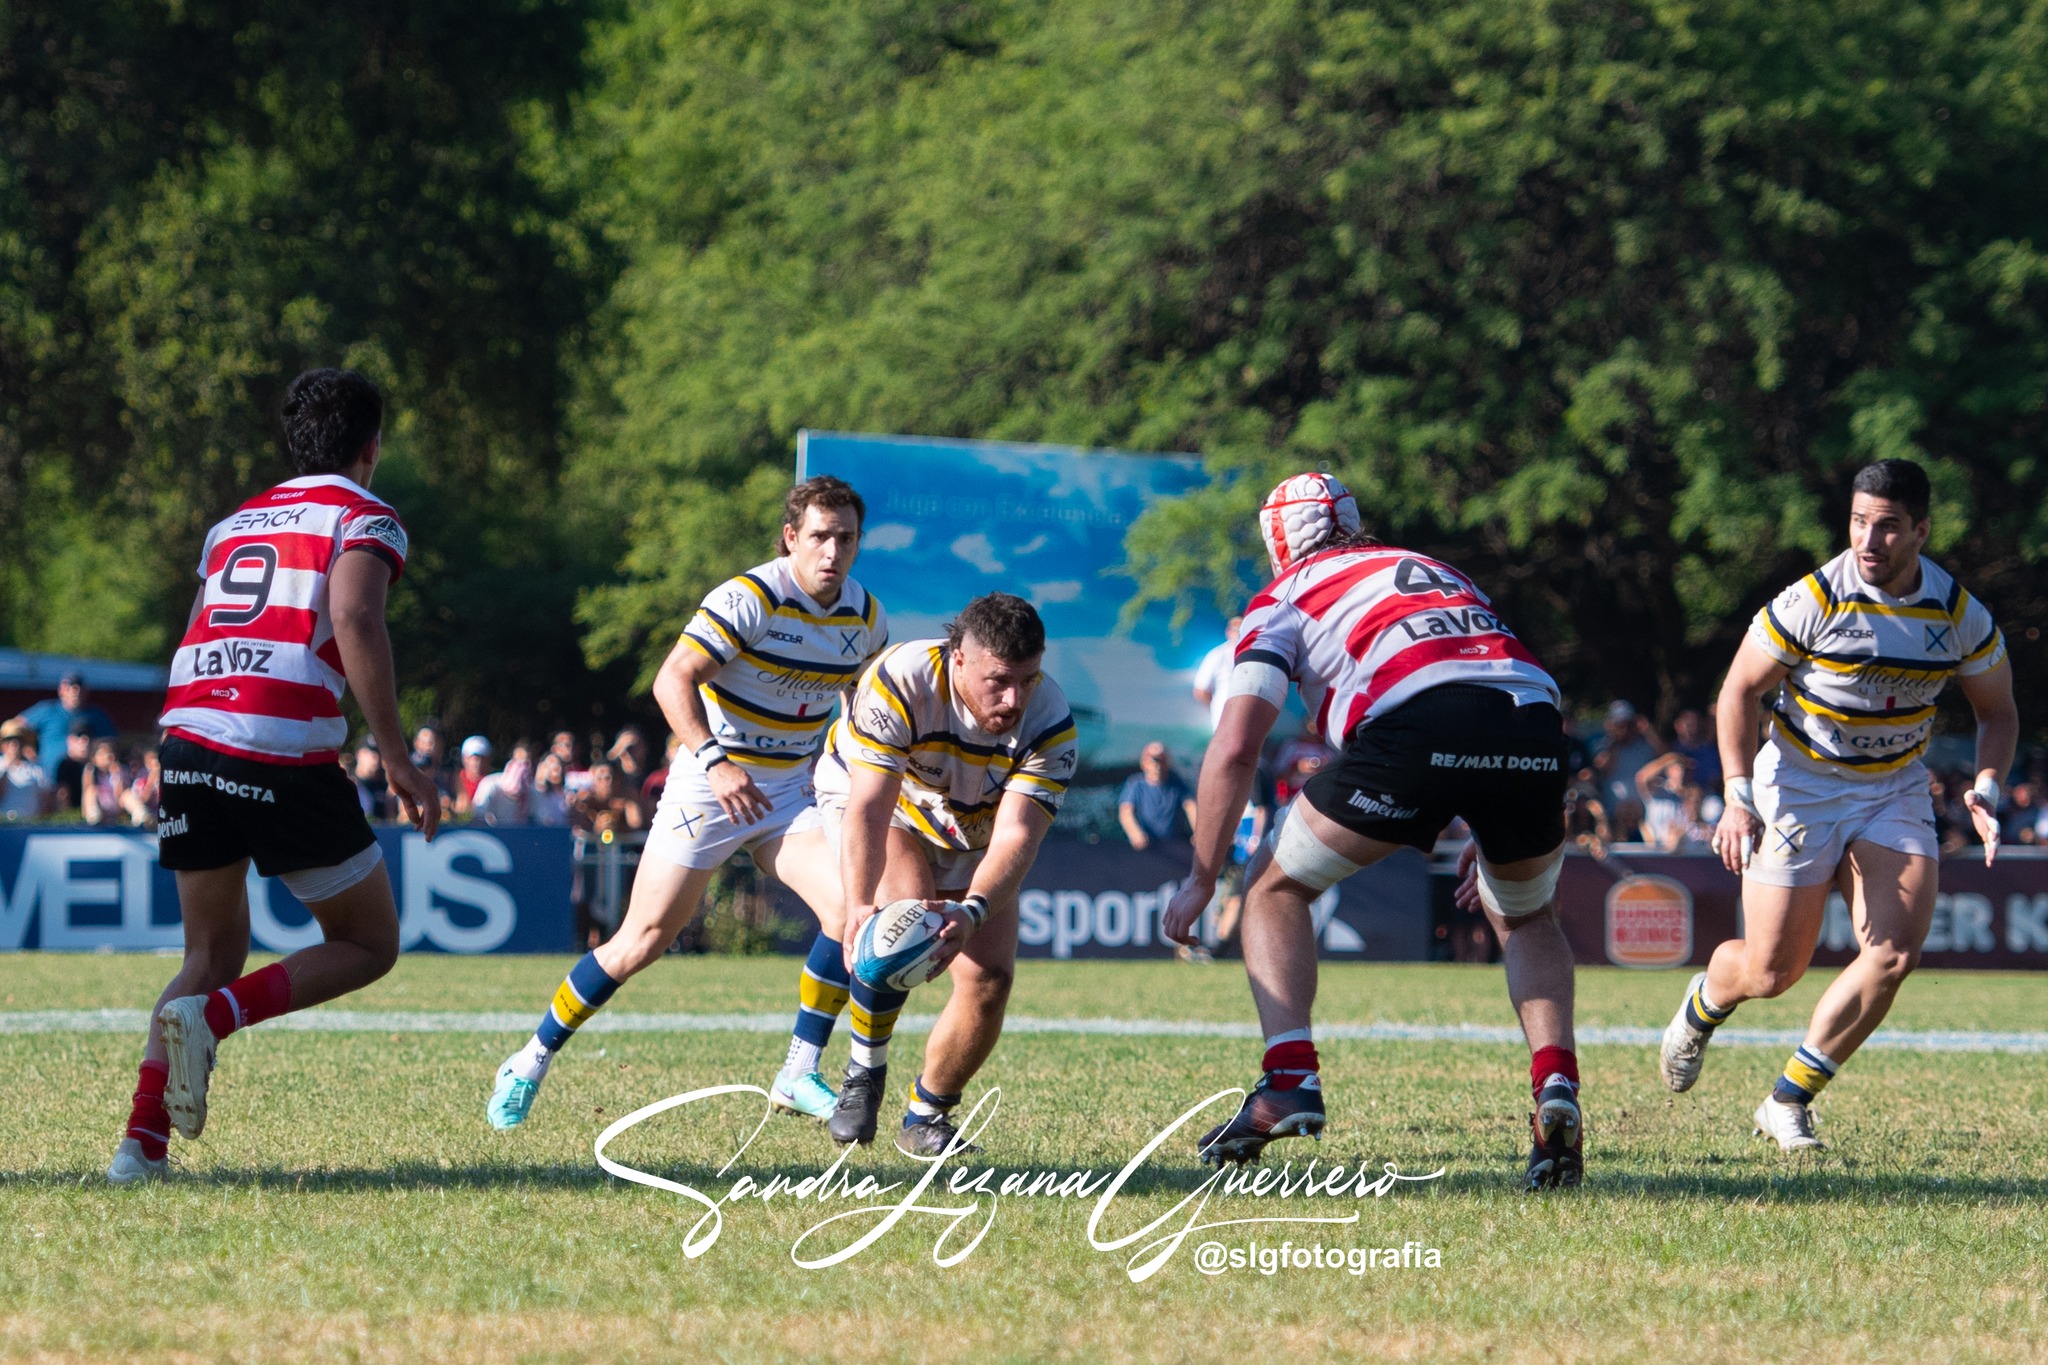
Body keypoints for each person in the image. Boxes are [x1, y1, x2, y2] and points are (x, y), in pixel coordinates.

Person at [1162, 472, 1583, 1190]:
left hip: (1418, 722)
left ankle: (1288, 1077)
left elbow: (1235, 747)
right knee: (1527, 912)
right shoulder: (1438, 571)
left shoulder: (1283, 597)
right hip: (1536, 722)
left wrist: (1204, 876)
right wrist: (1487, 806)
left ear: (1277, 544)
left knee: (1270, 886)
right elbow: (1488, 684)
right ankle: (1556, 1088)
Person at [107, 367, 441, 1186]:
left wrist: (181, 742)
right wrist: (395, 755)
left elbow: (193, 632)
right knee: (368, 941)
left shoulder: (234, 522)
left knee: (209, 949)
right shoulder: (364, 515)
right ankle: (215, 1018)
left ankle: (138, 1150)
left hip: (186, 735)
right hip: (277, 740)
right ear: (371, 448)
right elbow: (354, 616)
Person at [487, 476, 886, 1130]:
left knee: (849, 909)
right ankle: (529, 1058)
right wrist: (714, 759)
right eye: (819, 535)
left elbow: (861, 704)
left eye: (845, 537)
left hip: (786, 791)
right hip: (709, 786)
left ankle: (798, 1069)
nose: (832, 551)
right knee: (640, 942)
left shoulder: (865, 616)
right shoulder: (750, 596)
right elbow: (672, 679)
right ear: (791, 537)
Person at [1660, 459, 2017, 1153]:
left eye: (1886, 526)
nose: (1868, 540)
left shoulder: (1955, 612)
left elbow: (1997, 711)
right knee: (1771, 970)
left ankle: (1788, 1098)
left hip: (1893, 786)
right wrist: (1736, 798)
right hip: (1801, 782)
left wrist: (1988, 785)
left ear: (1920, 531)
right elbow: (1737, 693)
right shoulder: (1815, 599)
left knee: (1893, 951)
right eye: (1858, 522)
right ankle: (1705, 1003)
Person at [807, 592, 1077, 1155]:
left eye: (1027, 680)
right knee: (905, 911)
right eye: (998, 680)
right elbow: (870, 806)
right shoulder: (902, 677)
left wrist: (974, 910)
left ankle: (927, 1116)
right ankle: (864, 1072)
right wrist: (859, 905)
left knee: (989, 979)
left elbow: (1017, 835)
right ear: (958, 658)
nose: (1013, 699)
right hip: (891, 803)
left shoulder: (1050, 720)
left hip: (971, 825)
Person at [14, 670, 116, 778]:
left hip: (86, 777)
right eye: (69, 687)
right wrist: (27, 747)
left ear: (86, 691)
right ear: (61, 691)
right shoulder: (47, 710)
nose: (74, 691)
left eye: (78, 688)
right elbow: (13, 726)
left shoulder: (96, 715)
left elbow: (111, 743)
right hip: (48, 778)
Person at [1592, 701, 1662, 842]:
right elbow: (1602, 766)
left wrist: (1648, 731)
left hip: (1642, 818)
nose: (1624, 729)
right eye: (1619, 725)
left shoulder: (1644, 746)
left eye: (1628, 724)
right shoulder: (1603, 746)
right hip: (1614, 818)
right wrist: (1613, 739)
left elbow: (1665, 755)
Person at [1117, 741, 1196, 849]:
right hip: (1147, 847)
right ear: (1144, 763)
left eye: (1161, 762)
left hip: (1174, 844)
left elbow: (1191, 807)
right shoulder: (1135, 784)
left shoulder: (1177, 784)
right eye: (1152, 762)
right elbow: (1126, 812)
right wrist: (1135, 833)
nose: (1156, 766)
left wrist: (1198, 833)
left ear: (1167, 764)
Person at [1192, 616, 1244, 731]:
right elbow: (1200, 690)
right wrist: (1216, 706)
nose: (1240, 634)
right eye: (1236, 630)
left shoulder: (1256, 654)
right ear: (1229, 631)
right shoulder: (1217, 655)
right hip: (1224, 718)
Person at [0, 719, 50, 821]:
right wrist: (6, 769)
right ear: (3, 744)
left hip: (29, 826)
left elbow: (46, 801)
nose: (14, 744)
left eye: (18, 740)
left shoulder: (36, 769)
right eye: (9, 740)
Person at [80, 737, 130, 826]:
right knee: (91, 790)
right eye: (101, 754)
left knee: (128, 794)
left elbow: (121, 796)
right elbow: (86, 792)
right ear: (93, 758)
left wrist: (117, 775)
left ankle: (141, 816)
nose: (106, 757)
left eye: (108, 754)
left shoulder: (120, 771)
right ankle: (93, 816)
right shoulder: (90, 771)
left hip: (115, 808)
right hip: (99, 809)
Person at [51, 721, 92, 813]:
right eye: (79, 737)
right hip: (72, 819)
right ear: (70, 740)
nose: (84, 742)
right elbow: (62, 795)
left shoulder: (94, 766)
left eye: (87, 738)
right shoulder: (65, 765)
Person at [119, 745, 162, 828]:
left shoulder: (170, 778)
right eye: (149, 761)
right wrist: (151, 780)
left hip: (165, 815)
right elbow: (142, 800)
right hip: (148, 813)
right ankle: (145, 818)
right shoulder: (141, 781)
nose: (154, 764)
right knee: (126, 795)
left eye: (156, 760)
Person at [350, 737, 390, 820]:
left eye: (378, 753)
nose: (375, 758)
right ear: (358, 754)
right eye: (370, 752)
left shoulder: (385, 786)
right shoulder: (349, 783)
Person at [453, 735, 492, 818]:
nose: (478, 762)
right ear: (464, 758)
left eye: (482, 758)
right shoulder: (452, 781)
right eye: (474, 758)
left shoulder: (494, 783)